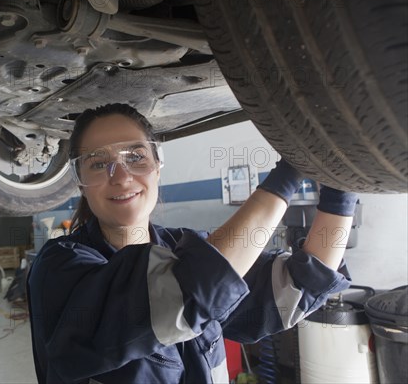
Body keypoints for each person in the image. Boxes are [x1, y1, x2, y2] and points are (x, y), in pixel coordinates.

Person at [27, 103, 357, 384]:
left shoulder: (184, 247)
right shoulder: (60, 268)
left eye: (136, 157)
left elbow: (299, 286)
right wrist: (289, 172)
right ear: (80, 183)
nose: (122, 176)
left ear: (157, 167)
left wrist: (342, 184)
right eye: (99, 164)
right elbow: (185, 291)